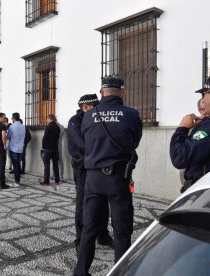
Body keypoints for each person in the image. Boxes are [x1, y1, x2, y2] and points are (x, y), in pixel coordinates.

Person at [74, 75, 142, 276]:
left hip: (93, 180)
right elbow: (134, 142)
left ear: (102, 92)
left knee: (89, 230)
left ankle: (80, 272)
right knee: (121, 231)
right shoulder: (131, 115)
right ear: (122, 92)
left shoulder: (88, 115)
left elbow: (86, 141)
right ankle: (119, 273)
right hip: (118, 179)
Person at [67, 94, 114, 255]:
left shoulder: (97, 119)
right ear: (85, 107)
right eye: (96, 106)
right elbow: (83, 144)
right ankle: (80, 239)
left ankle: (102, 234)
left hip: (98, 165)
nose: (99, 109)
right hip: (82, 168)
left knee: (102, 200)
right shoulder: (75, 121)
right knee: (82, 202)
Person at [171, 77, 210, 193]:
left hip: (202, 194)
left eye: (204, 94)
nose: (202, 98)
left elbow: (180, 158)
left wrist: (182, 128)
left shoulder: (207, 128)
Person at [40, 114, 60, 185]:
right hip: (55, 148)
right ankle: (57, 180)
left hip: (48, 148)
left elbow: (45, 138)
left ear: (50, 119)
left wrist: (43, 146)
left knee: (47, 165)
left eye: (47, 119)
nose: (46, 120)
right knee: (55, 164)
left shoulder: (49, 127)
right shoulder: (58, 127)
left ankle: (46, 181)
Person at [7, 112, 25, 187]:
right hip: (20, 148)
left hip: (13, 148)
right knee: (18, 164)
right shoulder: (23, 126)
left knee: (15, 165)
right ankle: (18, 180)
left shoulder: (11, 127)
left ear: (13, 118)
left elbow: (8, 136)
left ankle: (17, 182)